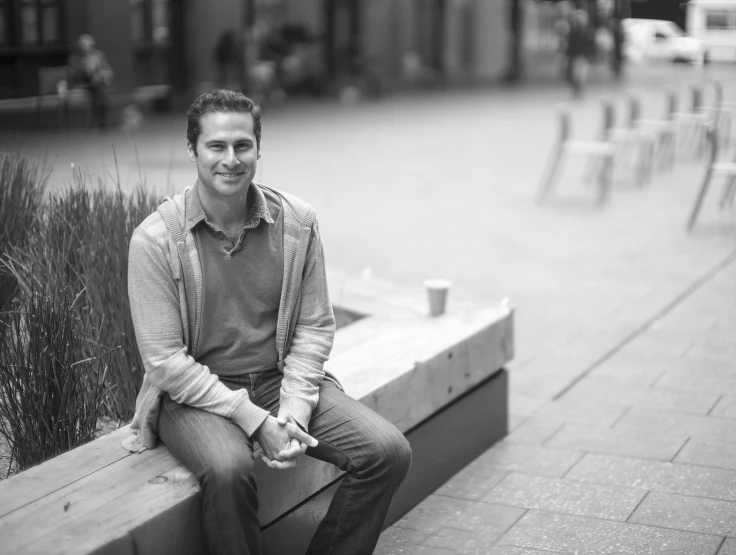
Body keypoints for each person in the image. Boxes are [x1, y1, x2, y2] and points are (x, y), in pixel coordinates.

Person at [122, 89, 412, 555]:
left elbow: (315, 325)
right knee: (229, 472)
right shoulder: (155, 240)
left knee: (387, 452)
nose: (231, 160)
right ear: (193, 150)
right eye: (216, 146)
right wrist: (256, 422)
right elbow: (164, 362)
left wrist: (294, 410)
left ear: (259, 148)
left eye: (243, 145)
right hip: (196, 396)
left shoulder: (297, 222)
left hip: (279, 381)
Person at [68, 34, 114, 130]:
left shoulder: (98, 55)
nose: (86, 48)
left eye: (88, 45)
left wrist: (101, 75)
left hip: (97, 83)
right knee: (100, 94)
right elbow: (74, 75)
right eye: (83, 45)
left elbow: (106, 68)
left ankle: (100, 121)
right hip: (84, 84)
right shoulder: (75, 58)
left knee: (98, 93)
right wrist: (83, 68)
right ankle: (102, 121)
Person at [565, 8, 595, 97]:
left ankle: (579, 92)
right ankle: (576, 91)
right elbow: (570, 45)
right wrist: (568, 56)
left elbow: (591, 44)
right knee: (575, 75)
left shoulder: (588, 31)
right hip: (575, 56)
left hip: (583, 56)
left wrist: (590, 55)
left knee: (581, 76)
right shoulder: (573, 31)